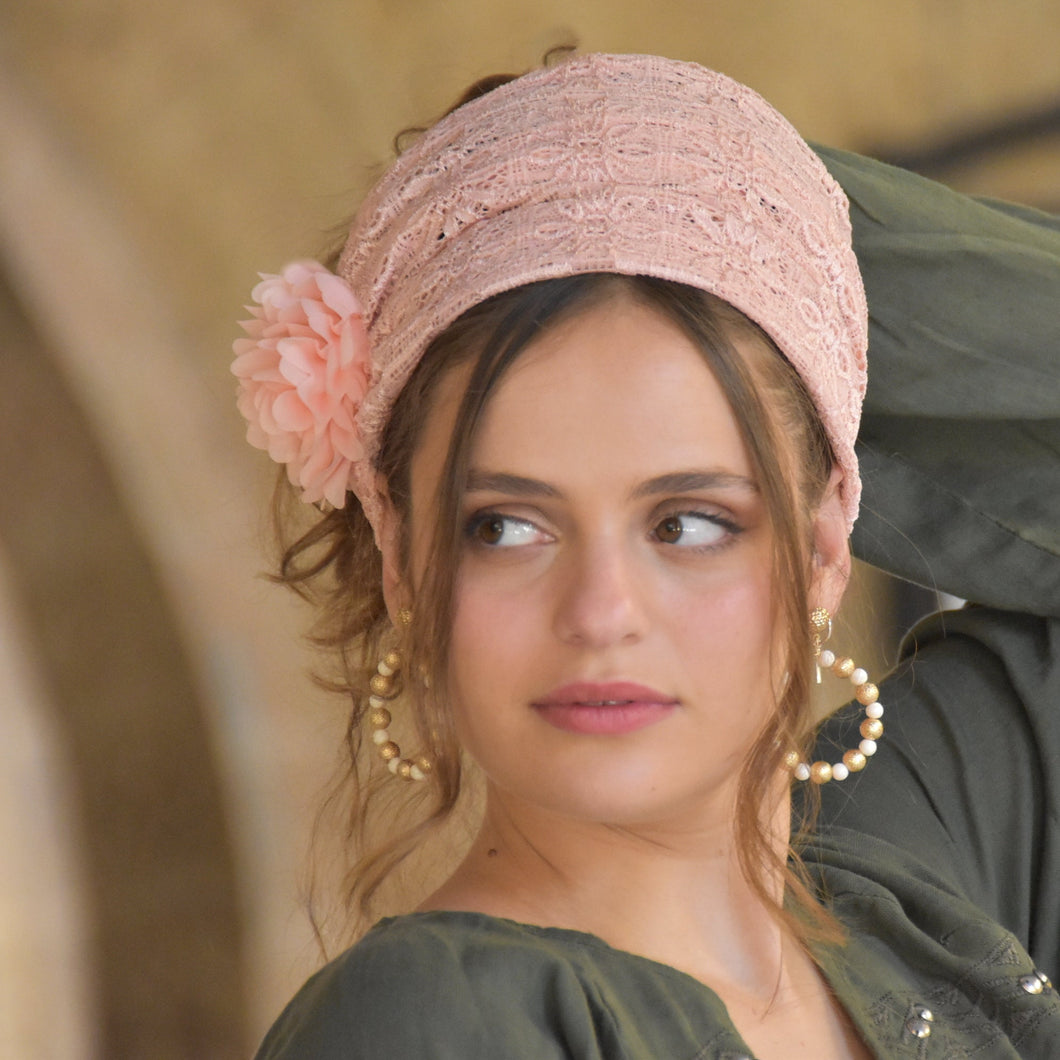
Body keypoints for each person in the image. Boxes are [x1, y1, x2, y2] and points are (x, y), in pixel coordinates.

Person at [232, 53, 1060, 1058]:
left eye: (687, 523)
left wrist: (728, 202)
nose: (601, 609)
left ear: (820, 540)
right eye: (504, 526)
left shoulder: (923, 880)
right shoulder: (433, 1020)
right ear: (404, 559)